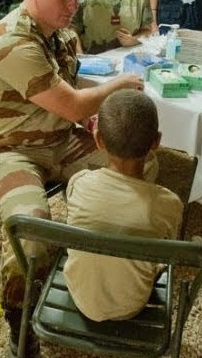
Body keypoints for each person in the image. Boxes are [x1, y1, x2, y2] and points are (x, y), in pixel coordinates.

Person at [0, 0, 151, 357]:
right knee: (31, 237)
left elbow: (71, 99)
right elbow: (72, 103)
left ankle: (109, 262)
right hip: (8, 152)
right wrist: (119, 86)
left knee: (140, 159)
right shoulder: (11, 39)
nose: (73, 5)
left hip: (58, 141)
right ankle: (20, 323)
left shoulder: (62, 35)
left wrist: (92, 118)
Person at [64, 89, 183, 322]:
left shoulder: (79, 184)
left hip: (79, 295)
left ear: (98, 140)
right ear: (156, 142)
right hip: (131, 306)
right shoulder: (169, 205)